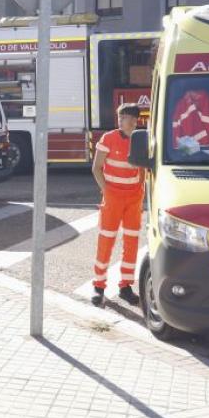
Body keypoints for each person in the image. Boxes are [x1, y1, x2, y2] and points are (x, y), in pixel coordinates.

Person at [89, 103, 146, 308]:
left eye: (125, 117)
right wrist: (107, 191)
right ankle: (99, 286)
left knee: (131, 242)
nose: (121, 121)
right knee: (106, 240)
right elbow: (96, 168)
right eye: (120, 117)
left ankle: (125, 287)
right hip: (113, 198)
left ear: (134, 121)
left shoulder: (142, 140)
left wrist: (140, 191)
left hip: (134, 198)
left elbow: (143, 168)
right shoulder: (108, 138)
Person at [170, 81, 209, 148]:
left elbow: (179, 145)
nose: (189, 99)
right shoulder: (182, 108)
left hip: (194, 152)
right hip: (206, 152)